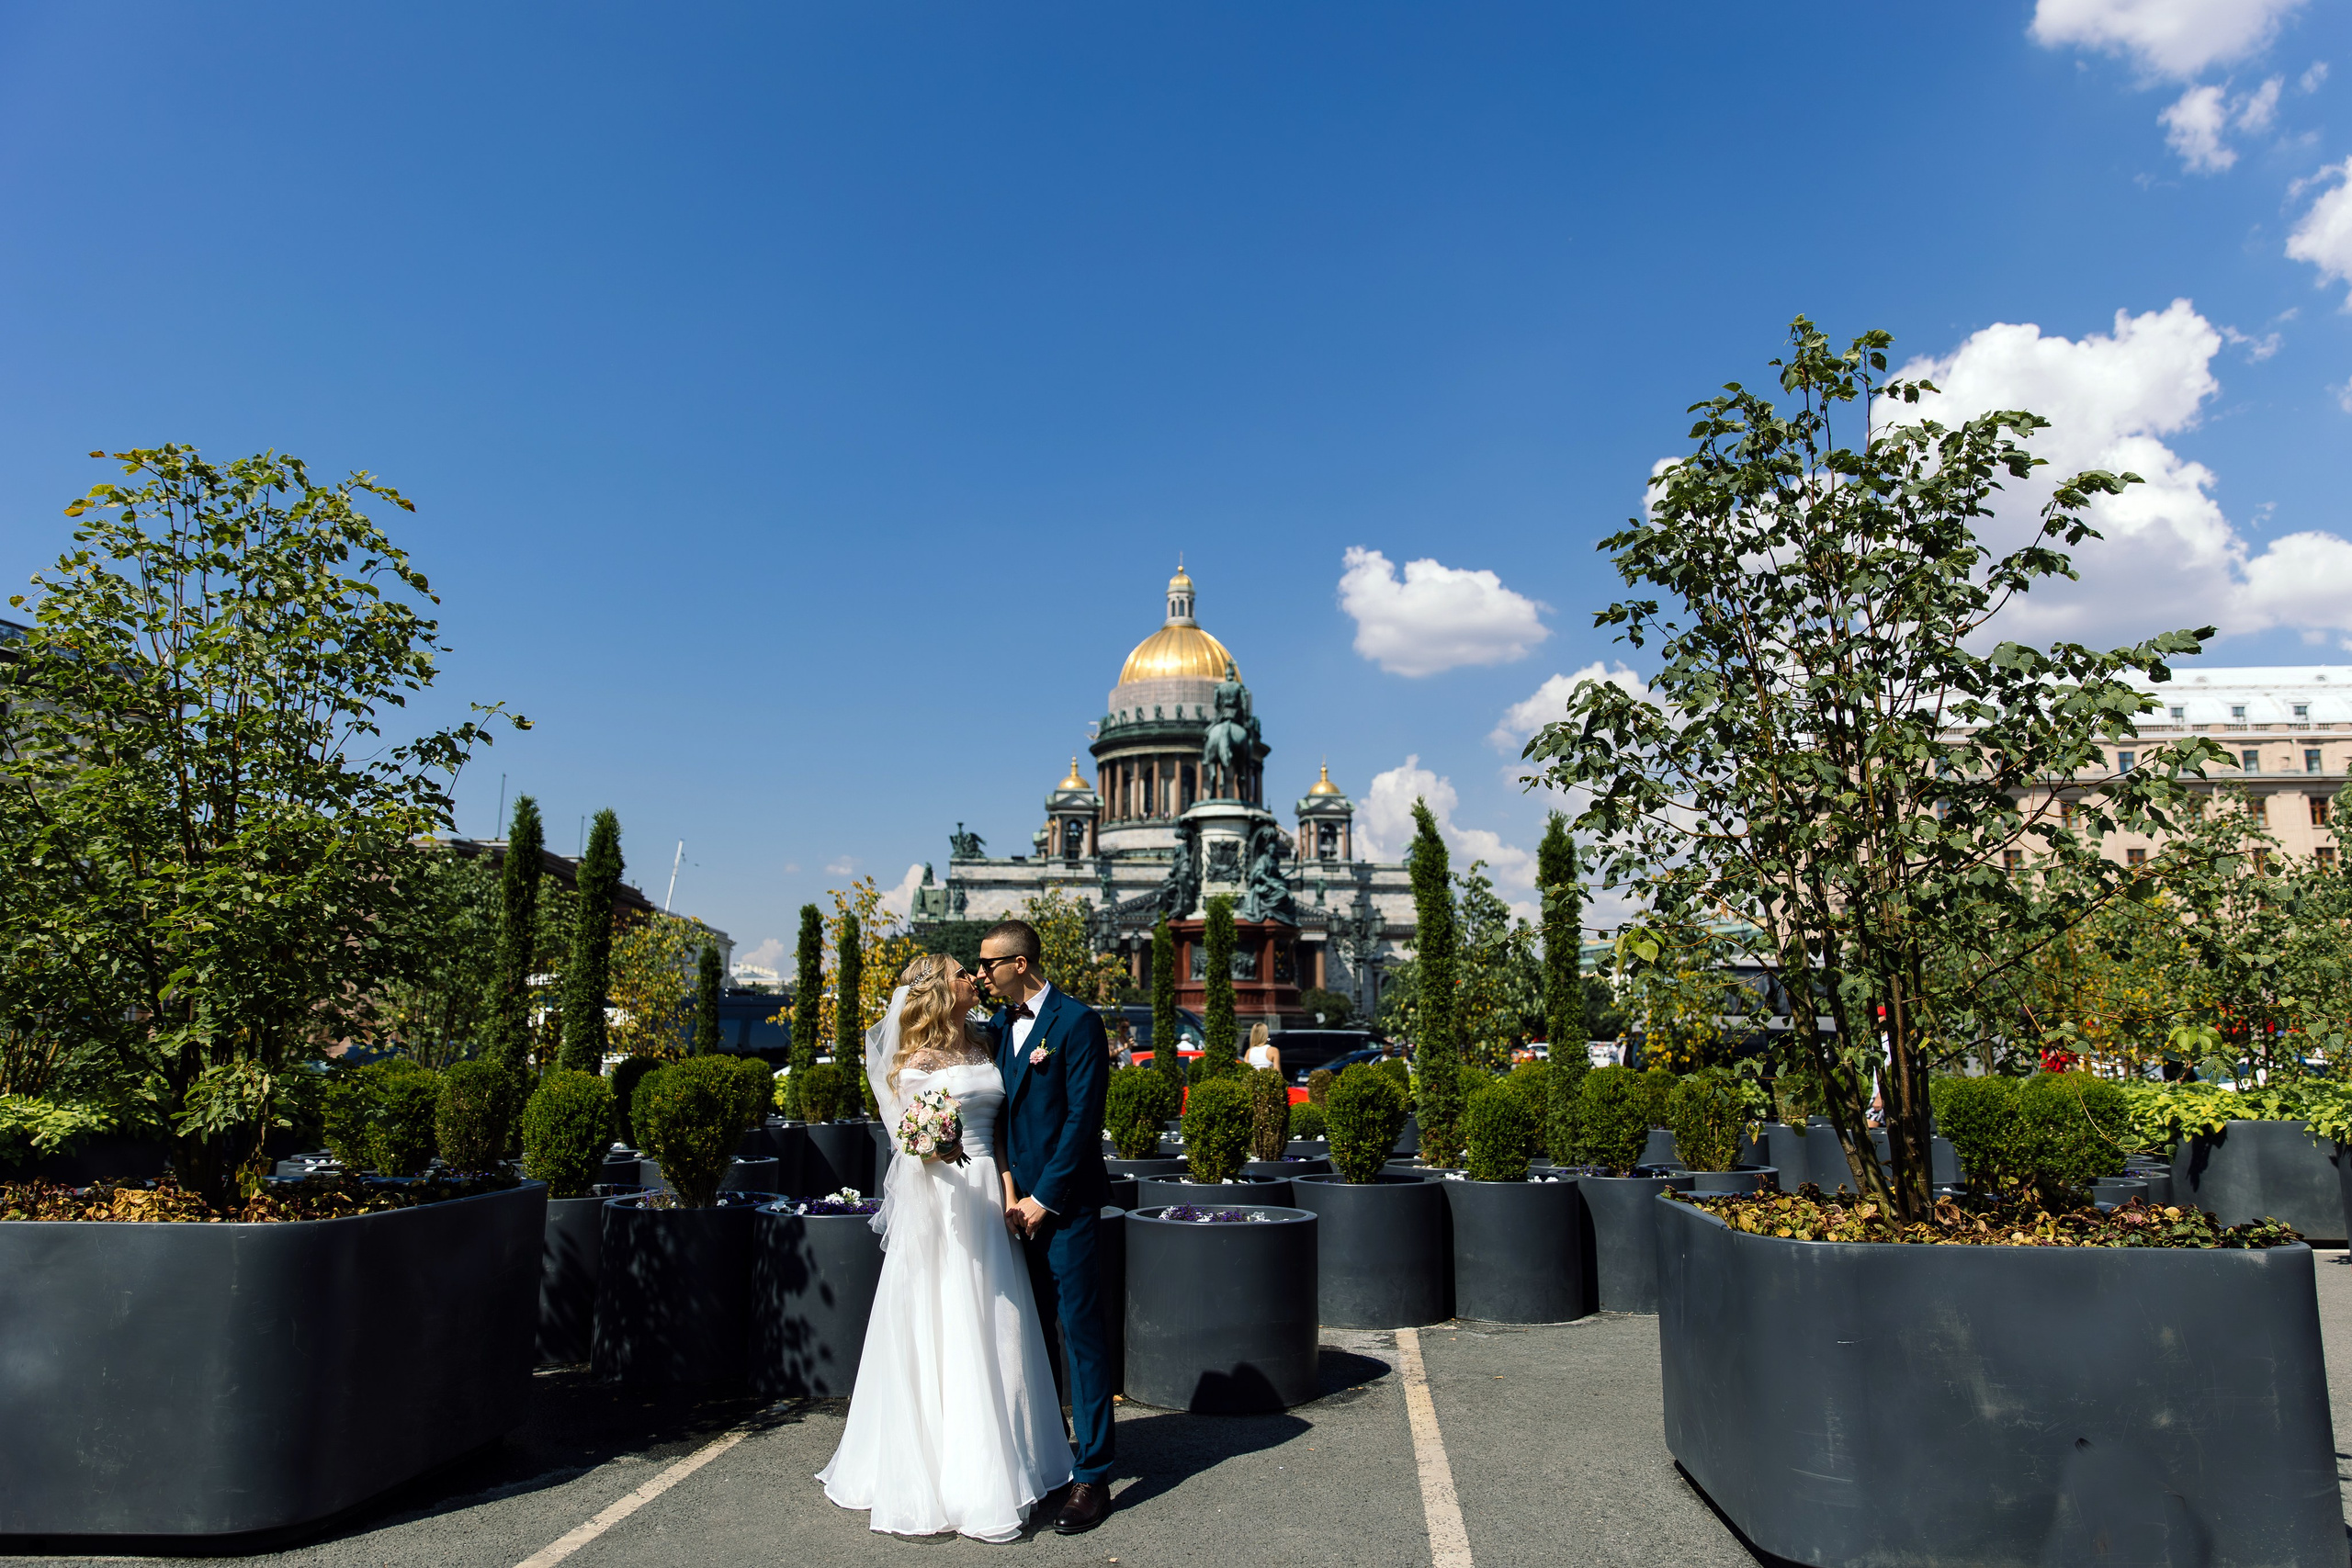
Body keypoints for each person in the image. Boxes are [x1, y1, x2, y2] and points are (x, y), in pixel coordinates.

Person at [816, 953, 1073, 1541]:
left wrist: (1009, 1189)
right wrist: (934, 1146)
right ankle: (954, 1472)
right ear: (938, 990)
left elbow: (998, 1133)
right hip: (945, 1196)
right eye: (962, 974)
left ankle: (1014, 1453)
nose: (973, 979)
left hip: (988, 1192)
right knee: (948, 1315)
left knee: (997, 1319)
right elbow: (911, 1140)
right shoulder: (915, 1061)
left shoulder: (985, 1043)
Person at [978, 918, 1116, 1535]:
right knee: (1029, 1337)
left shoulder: (1077, 1021)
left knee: (1080, 1336)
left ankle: (1093, 1475)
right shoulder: (998, 1026)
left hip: (1066, 1207)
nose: (981, 973)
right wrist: (1010, 1191)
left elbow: (1083, 1119)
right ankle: (1050, 1457)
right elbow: (1000, 1119)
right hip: (1012, 1209)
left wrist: (1045, 1199)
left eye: (989, 963)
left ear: (1021, 963)